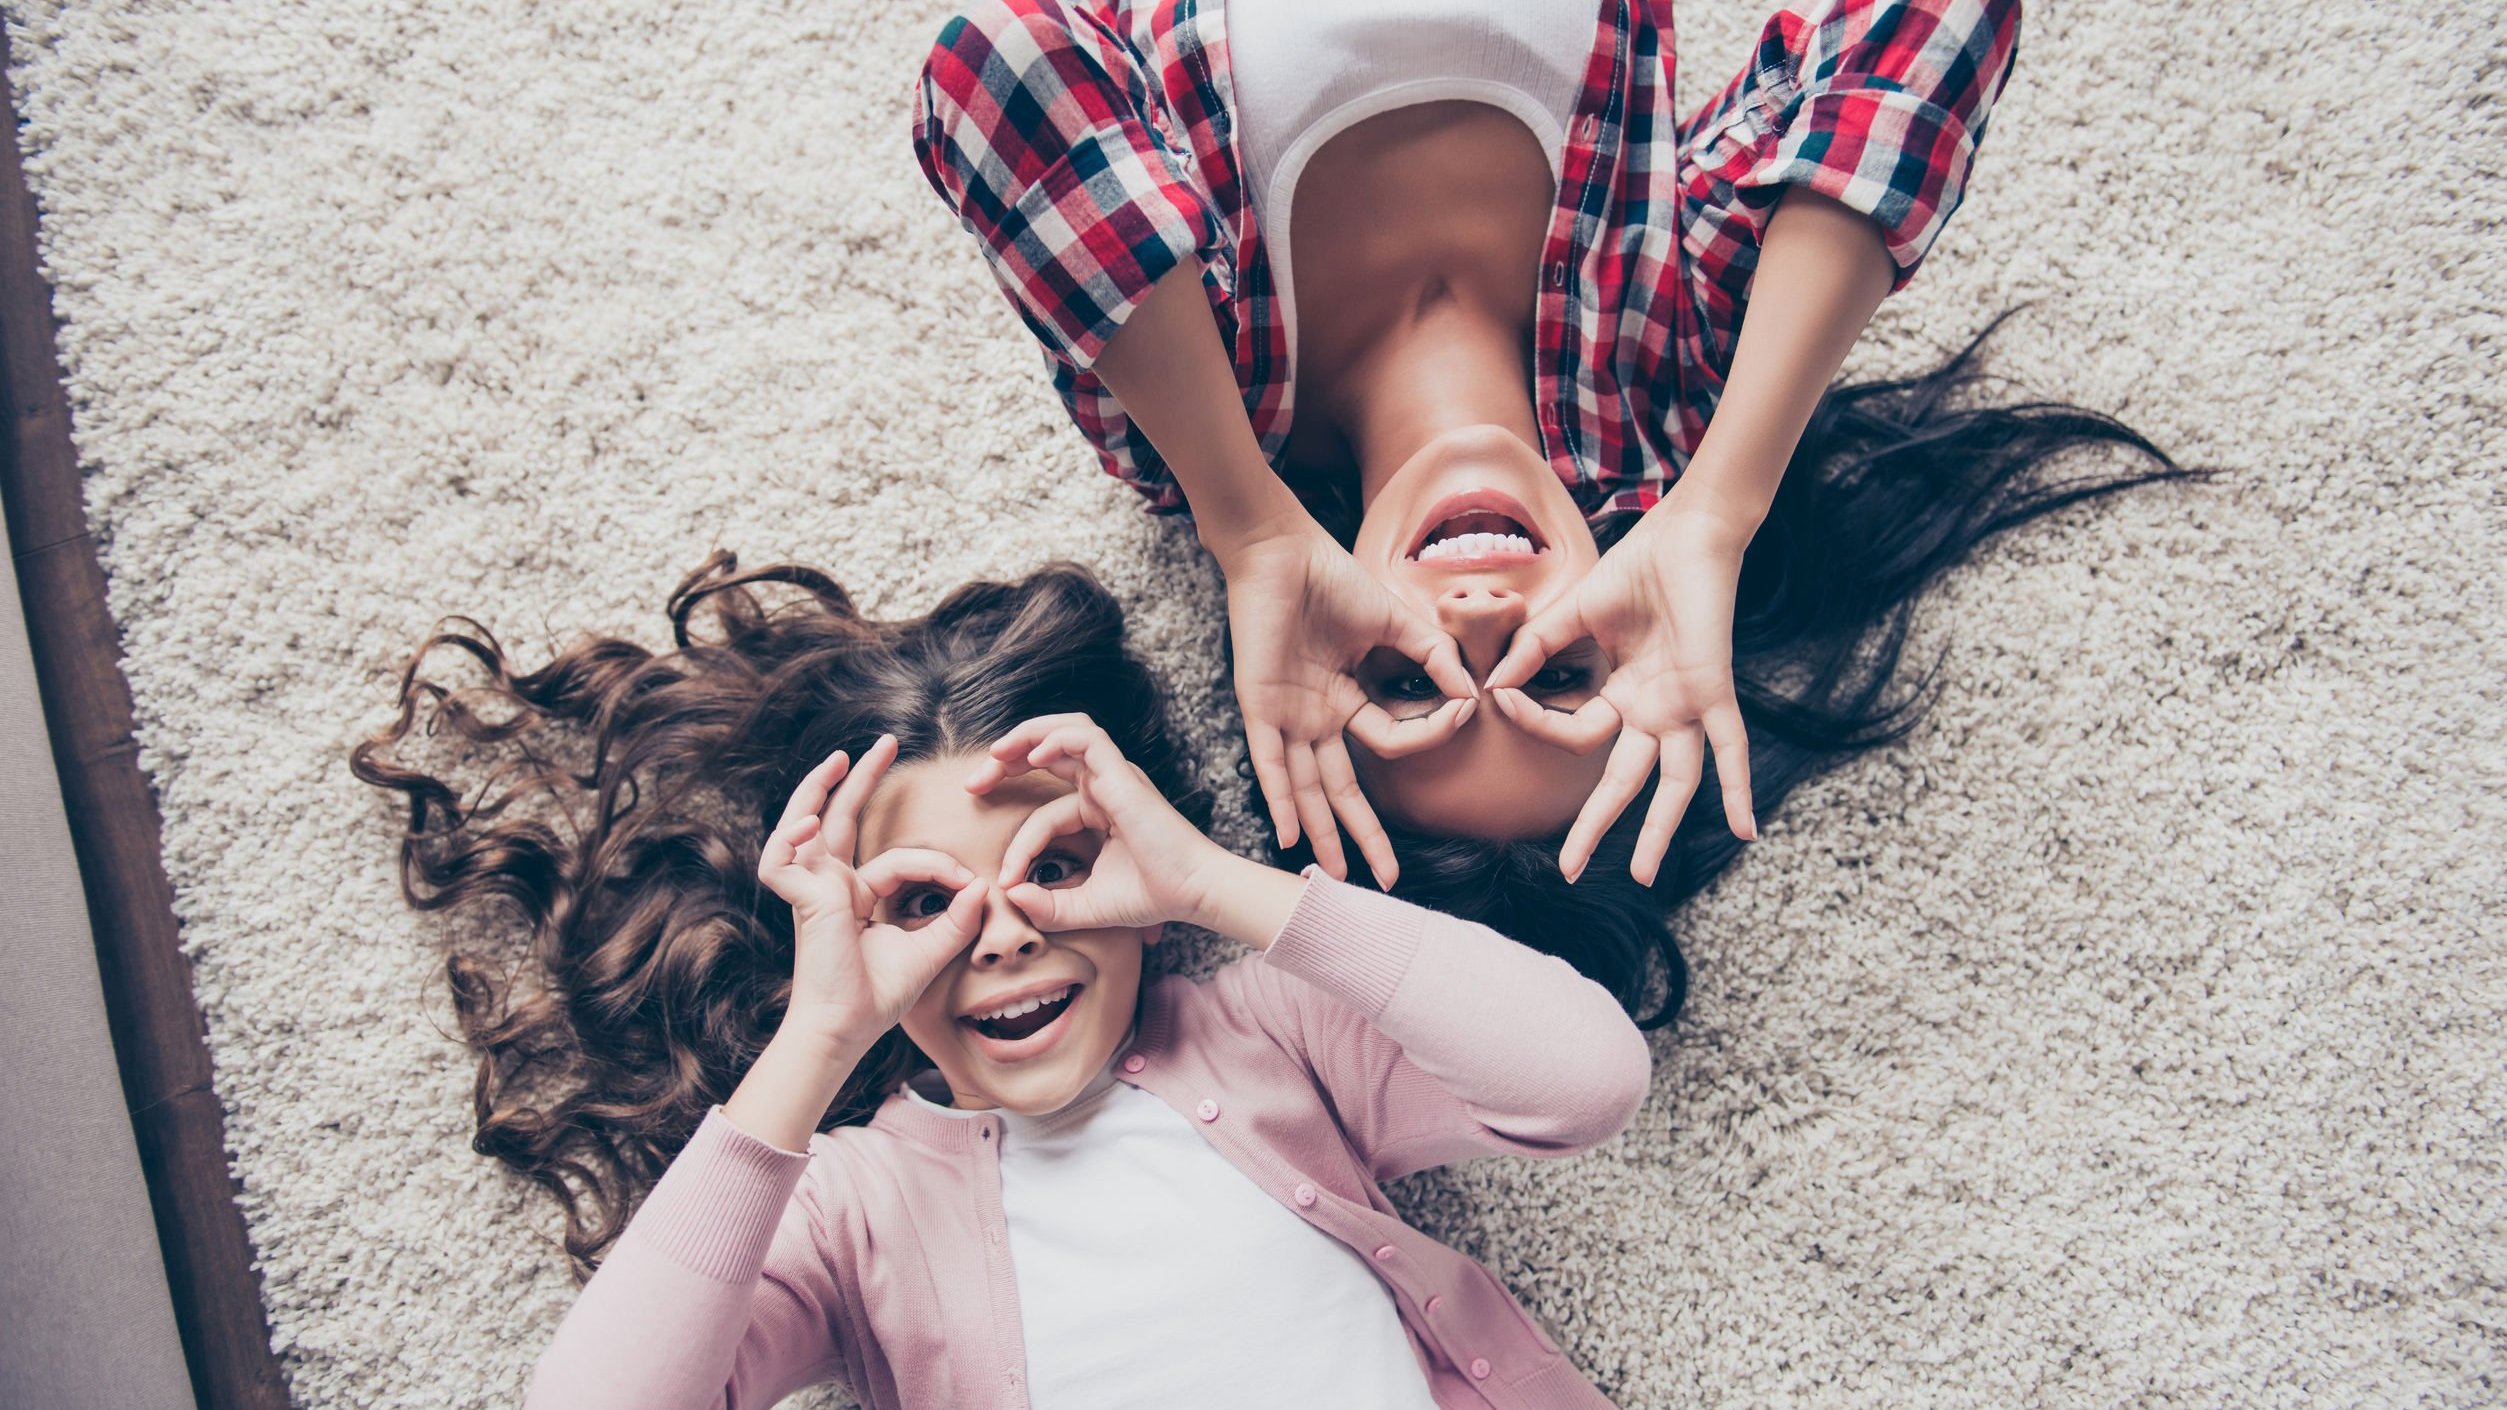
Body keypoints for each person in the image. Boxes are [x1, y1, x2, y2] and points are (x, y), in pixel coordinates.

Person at [912, 0, 2184, 1017]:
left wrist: (1244, 521)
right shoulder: (1670, 386)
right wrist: (1720, 508)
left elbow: (996, 67)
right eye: (1557, 670)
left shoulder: (1196, 407)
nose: (1476, 614)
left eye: (1411, 686)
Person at [351, 554, 1651, 1408]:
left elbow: (1583, 1078)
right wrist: (814, 1037)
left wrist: (1213, 885)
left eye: (1058, 863)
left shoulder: (1267, 1034)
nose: (998, 931)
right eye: (920, 900)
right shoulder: (855, 1202)